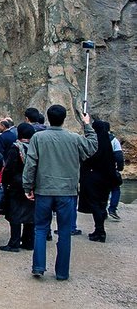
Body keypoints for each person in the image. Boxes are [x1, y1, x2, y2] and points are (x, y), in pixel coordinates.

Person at [23, 105, 97, 280]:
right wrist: (87, 125)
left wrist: (28, 186)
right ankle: (62, 272)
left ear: (48, 117)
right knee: (64, 232)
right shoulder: (74, 138)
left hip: (44, 190)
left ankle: (38, 267)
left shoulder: (38, 138)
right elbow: (92, 147)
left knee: (40, 229)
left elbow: (31, 164)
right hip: (67, 191)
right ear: (64, 119)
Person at [78, 120, 117, 243]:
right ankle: (100, 230)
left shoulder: (95, 143)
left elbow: (88, 158)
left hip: (93, 178)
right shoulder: (108, 143)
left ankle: (99, 231)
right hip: (106, 178)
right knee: (102, 204)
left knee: (95, 205)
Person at [0, 123, 36, 252]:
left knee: (14, 213)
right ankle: (28, 241)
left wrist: (4, 183)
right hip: (32, 184)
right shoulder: (35, 147)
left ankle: (14, 242)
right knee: (30, 214)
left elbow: (8, 169)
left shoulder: (15, 148)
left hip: (16, 184)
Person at [108, 130, 124, 220]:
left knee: (100, 191)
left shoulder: (95, 139)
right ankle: (112, 209)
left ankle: (101, 211)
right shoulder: (114, 140)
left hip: (97, 170)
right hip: (111, 169)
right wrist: (120, 168)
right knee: (115, 189)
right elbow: (119, 156)